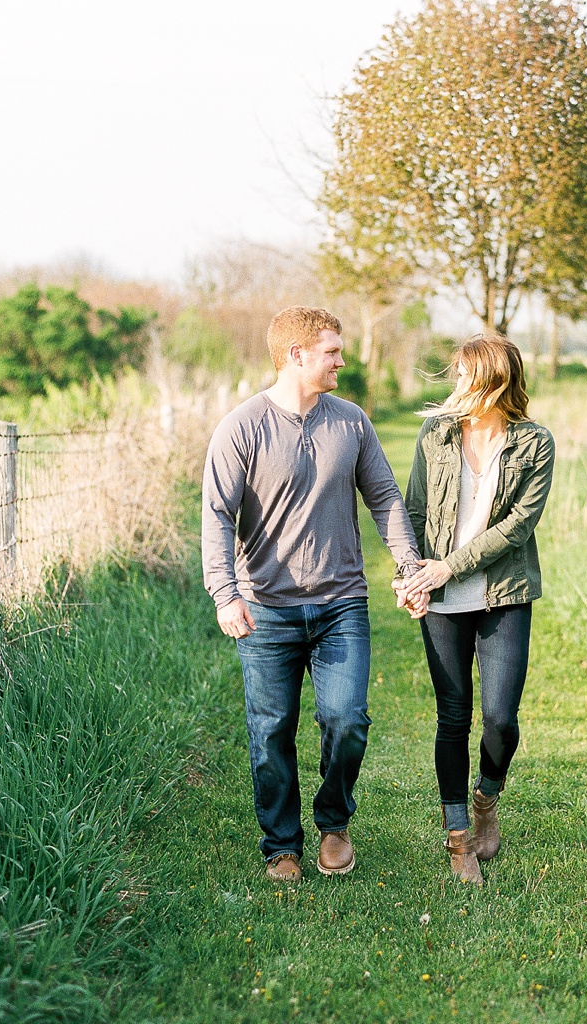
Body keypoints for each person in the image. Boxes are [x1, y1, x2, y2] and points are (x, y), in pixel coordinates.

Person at [201, 306, 426, 884]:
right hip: (266, 608)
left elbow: (384, 498)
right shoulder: (241, 427)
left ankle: (334, 823)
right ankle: (281, 845)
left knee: (347, 718)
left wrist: (408, 566)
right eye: (332, 352)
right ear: (297, 355)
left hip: (341, 602)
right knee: (271, 727)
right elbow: (218, 516)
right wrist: (226, 594)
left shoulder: (351, 422)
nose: (342, 361)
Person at [396, 333, 554, 884]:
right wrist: (410, 575)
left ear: (493, 382)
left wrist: (448, 566)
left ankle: (487, 796)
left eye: (465, 375)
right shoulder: (435, 433)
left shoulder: (534, 444)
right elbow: (413, 508)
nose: (456, 384)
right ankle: (459, 837)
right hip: (441, 597)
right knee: (453, 714)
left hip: (502, 591)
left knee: (501, 720)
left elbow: (518, 526)